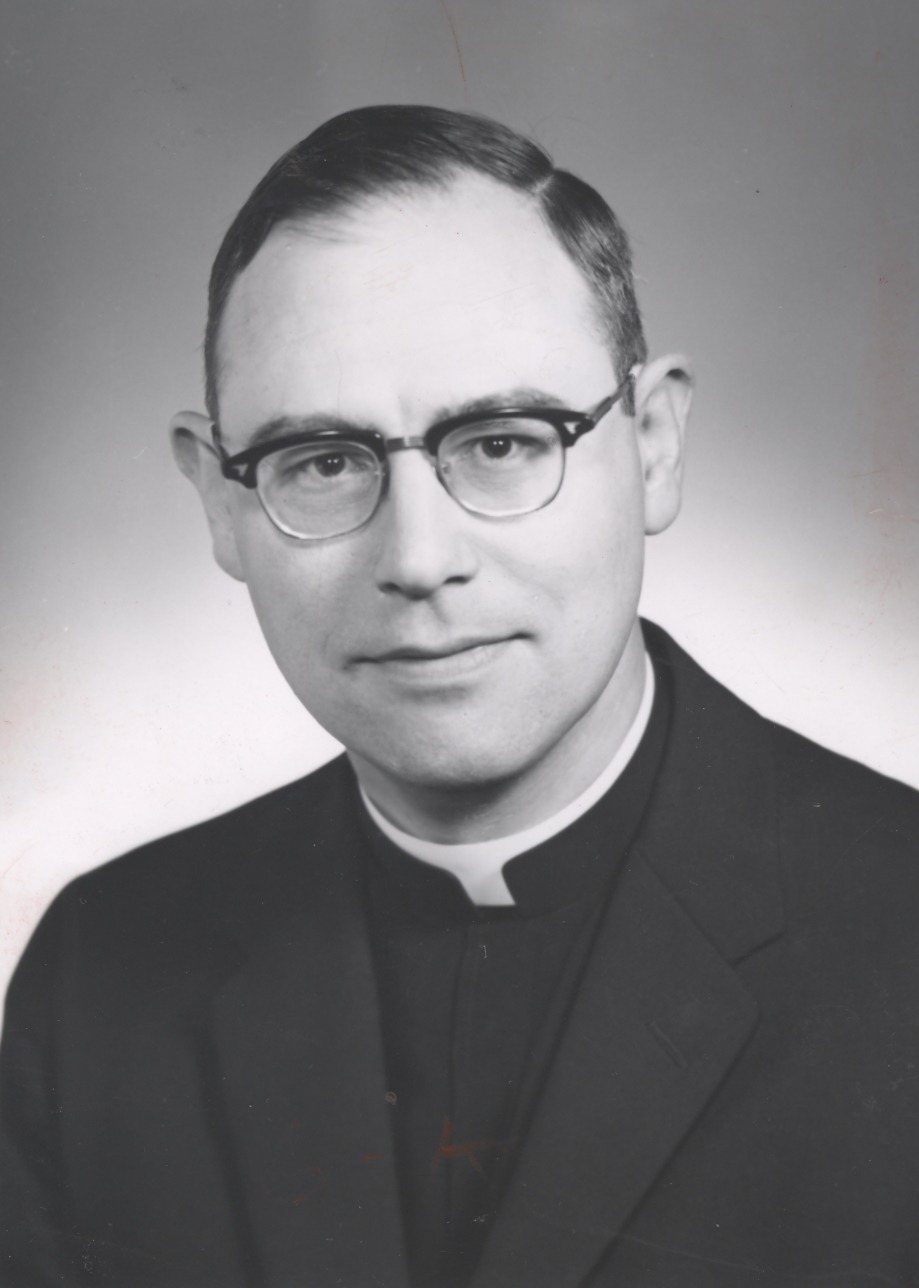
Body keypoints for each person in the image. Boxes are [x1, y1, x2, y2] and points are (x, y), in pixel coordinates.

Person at [2, 104, 918, 1288]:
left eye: (499, 440)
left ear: (651, 445)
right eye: (323, 462)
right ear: (223, 505)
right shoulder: (99, 969)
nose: (418, 557)